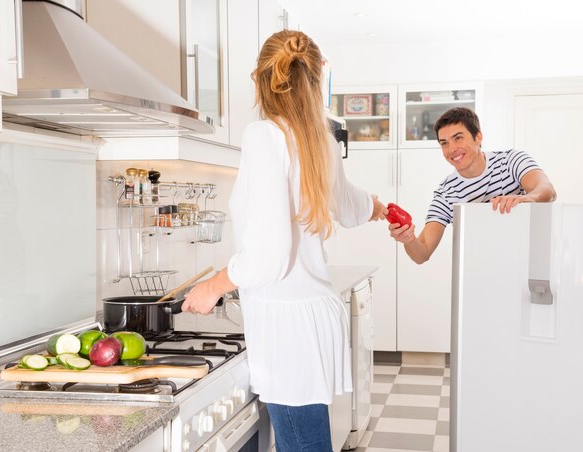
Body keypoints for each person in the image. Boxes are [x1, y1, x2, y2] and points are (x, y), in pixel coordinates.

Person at [181, 30, 388, 451]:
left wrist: (212, 286)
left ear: (259, 78)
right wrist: (377, 206)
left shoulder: (264, 136)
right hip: (311, 319)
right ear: (315, 82)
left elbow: (268, 257)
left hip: (285, 330)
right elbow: (348, 207)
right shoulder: (321, 141)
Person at [390, 107, 556, 264]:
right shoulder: (446, 192)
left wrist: (524, 199)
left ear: (478, 137)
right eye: (444, 143)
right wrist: (409, 240)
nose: (452, 149)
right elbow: (422, 253)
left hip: (524, 263)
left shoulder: (510, 161)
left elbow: (547, 190)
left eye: (458, 138)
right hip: (477, 271)